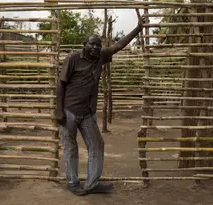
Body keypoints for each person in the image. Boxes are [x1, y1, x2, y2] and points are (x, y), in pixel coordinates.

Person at [56, 16, 146, 196]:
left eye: (98, 45)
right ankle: (73, 183)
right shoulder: (73, 58)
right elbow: (61, 83)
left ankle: (91, 183)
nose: (96, 47)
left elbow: (119, 45)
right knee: (71, 148)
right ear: (84, 45)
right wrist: (58, 110)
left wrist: (138, 28)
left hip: (87, 113)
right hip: (69, 111)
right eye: (92, 44)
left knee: (97, 145)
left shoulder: (101, 57)